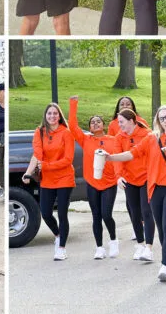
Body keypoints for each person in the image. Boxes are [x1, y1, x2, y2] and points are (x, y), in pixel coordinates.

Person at [101, 105, 166, 282]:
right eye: (162, 118)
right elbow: (131, 154)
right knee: (162, 228)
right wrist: (110, 158)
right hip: (154, 188)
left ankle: (163, 265)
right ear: (158, 121)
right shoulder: (151, 138)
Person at [67, 96, 119, 259]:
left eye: (98, 121)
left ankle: (113, 240)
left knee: (106, 214)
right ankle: (99, 248)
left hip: (109, 182)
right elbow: (73, 126)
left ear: (103, 125)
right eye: (92, 122)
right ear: (89, 127)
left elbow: (119, 158)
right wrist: (73, 104)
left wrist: (119, 176)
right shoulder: (86, 139)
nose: (96, 124)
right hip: (92, 183)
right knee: (96, 215)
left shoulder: (113, 140)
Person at [23, 103, 75, 261]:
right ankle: (59, 235)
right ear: (45, 116)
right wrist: (28, 172)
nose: (52, 116)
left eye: (55, 113)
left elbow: (68, 160)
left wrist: (47, 165)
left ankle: (61, 248)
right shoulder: (39, 132)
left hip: (64, 177)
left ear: (59, 116)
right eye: (49, 113)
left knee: (62, 213)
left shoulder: (66, 133)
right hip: (48, 179)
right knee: (45, 212)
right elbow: (37, 155)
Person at [111, 106, 156, 260]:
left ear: (131, 121)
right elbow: (117, 158)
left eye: (122, 122)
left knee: (146, 211)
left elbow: (152, 156)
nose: (120, 125)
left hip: (146, 177)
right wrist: (118, 176)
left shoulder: (146, 135)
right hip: (129, 179)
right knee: (134, 212)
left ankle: (149, 248)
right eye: (118, 122)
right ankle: (140, 244)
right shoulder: (119, 137)